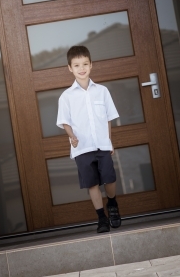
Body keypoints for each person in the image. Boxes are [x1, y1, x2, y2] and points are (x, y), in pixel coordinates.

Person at [56, 45, 121, 233]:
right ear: (70, 68)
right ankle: (102, 218)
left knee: (109, 177)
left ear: (91, 65)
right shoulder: (66, 97)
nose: (81, 68)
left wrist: (109, 141)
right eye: (76, 65)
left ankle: (113, 204)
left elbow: (108, 118)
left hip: (102, 145)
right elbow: (64, 122)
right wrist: (72, 137)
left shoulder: (102, 91)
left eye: (85, 64)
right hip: (82, 148)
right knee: (92, 182)